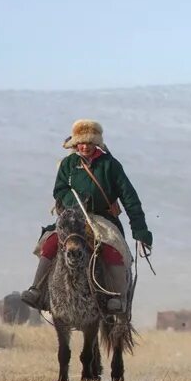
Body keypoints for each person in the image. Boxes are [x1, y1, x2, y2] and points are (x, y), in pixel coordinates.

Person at [22, 119, 152, 313]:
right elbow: (59, 190)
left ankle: (117, 298)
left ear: (96, 143)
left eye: (89, 142)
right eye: (81, 142)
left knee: (113, 246)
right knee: (50, 241)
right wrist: (74, 201)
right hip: (72, 217)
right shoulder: (68, 164)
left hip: (102, 218)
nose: (84, 146)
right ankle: (37, 289)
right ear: (75, 144)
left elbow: (129, 197)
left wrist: (140, 230)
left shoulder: (110, 165)